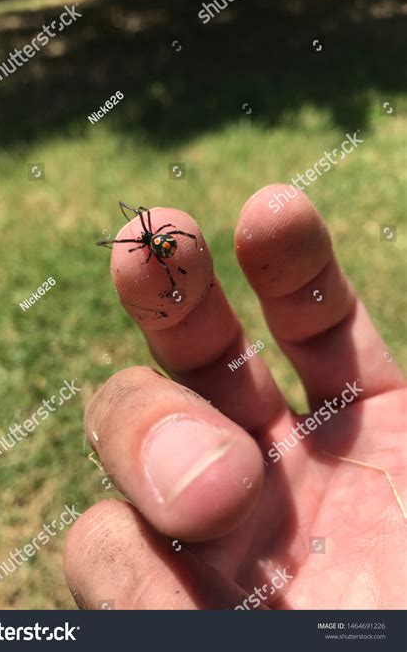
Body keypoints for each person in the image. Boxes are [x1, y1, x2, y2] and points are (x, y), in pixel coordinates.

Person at [64, 184, 406, 610]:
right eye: (154, 241)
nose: (153, 240)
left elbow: (163, 239)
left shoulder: (158, 241)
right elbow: (158, 240)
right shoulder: (155, 243)